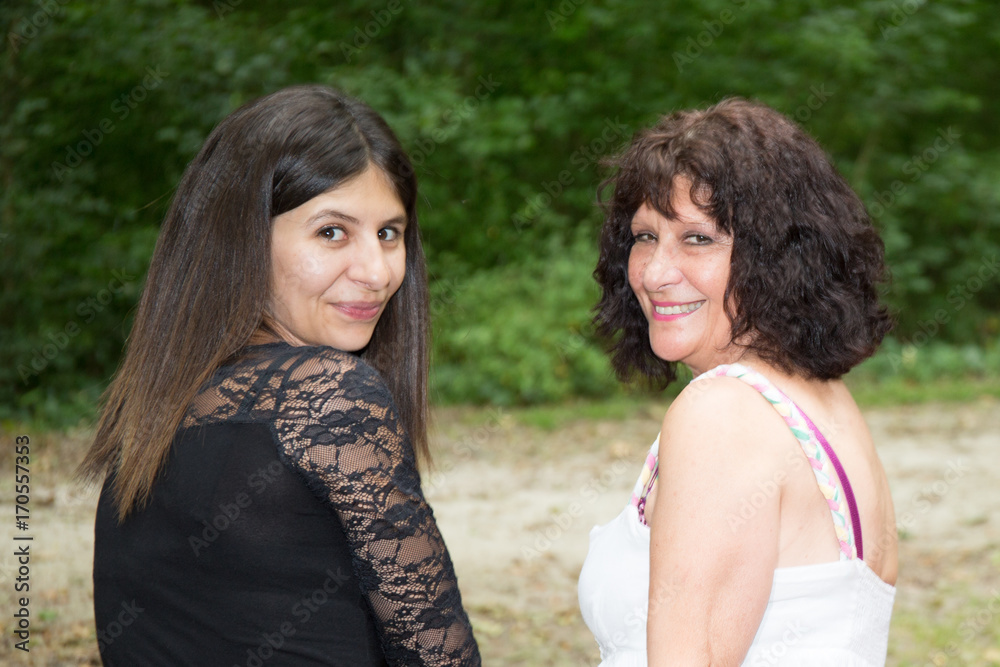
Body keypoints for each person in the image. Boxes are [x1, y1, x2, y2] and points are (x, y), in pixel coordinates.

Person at [79, 85, 481, 666]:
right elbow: (440, 658)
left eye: (389, 233)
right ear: (241, 239)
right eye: (332, 232)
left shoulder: (155, 411)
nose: (377, 271)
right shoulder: (328, 394)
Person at [578, 98, 897, 666]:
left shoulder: (722, 414)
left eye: (696, 239)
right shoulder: (825, 404)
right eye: (645, 236)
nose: (654, 272)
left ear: (779, 257)